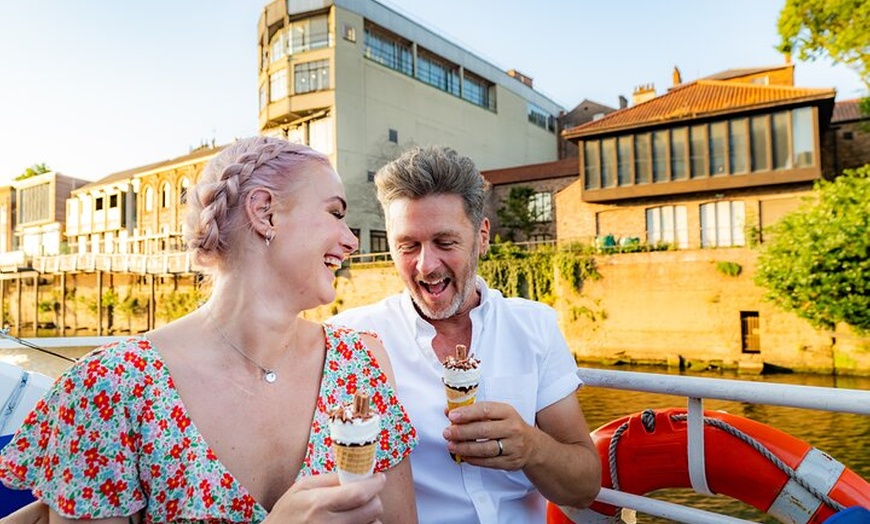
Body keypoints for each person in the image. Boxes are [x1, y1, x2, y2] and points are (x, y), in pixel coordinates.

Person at [0, 137, 417, 523]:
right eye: (335, 213)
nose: (351, 240)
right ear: (265, 211)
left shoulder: (361, 365)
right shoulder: (111, 388)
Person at [330, 145, 601, 523]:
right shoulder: (352, 338)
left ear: (482, 236)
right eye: (408, 245)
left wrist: (533, 447)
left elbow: (585, 485)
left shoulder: (535, 326)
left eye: (445, 242)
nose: (426, 265)